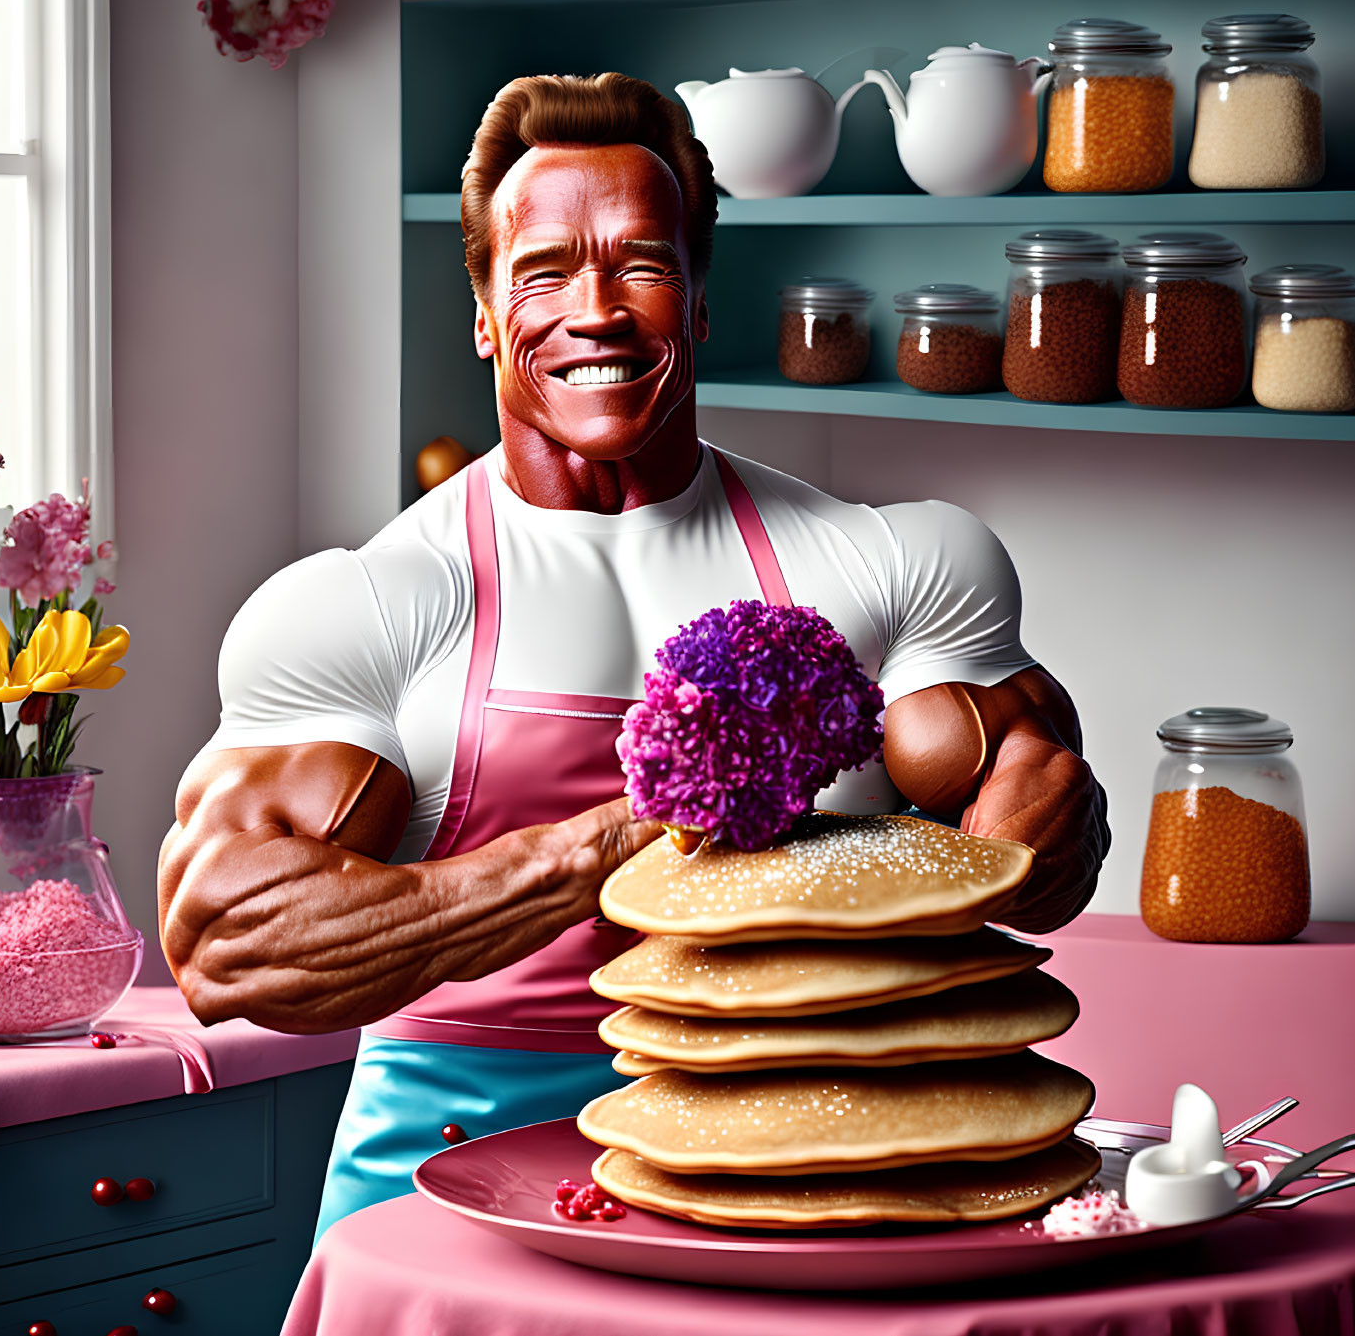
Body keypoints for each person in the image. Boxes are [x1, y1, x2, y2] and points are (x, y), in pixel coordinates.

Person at [158, 72, 1111, 1243]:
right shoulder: (368, 605)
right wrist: (616, 839)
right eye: (545, 271)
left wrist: (1026, 831)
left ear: (701, 304)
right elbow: (229, 948)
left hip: (805, 1150)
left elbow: (1033, 807)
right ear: (483, 314)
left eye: (642, 266)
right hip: (446, 1178)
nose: (595, 310)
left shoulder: (893, 562)